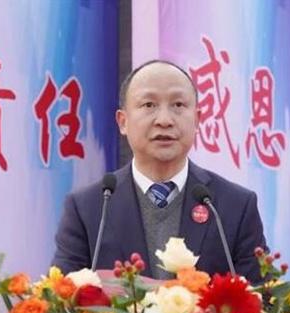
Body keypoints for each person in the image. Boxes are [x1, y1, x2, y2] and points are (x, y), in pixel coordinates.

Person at [52, 60, 268, 282]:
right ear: (123, 122)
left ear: (197, 120)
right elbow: (61, 295)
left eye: (178, 105)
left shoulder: (235, 206)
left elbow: (260, 296)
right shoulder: (88, 208)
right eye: (149, 105)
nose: (164, 120)